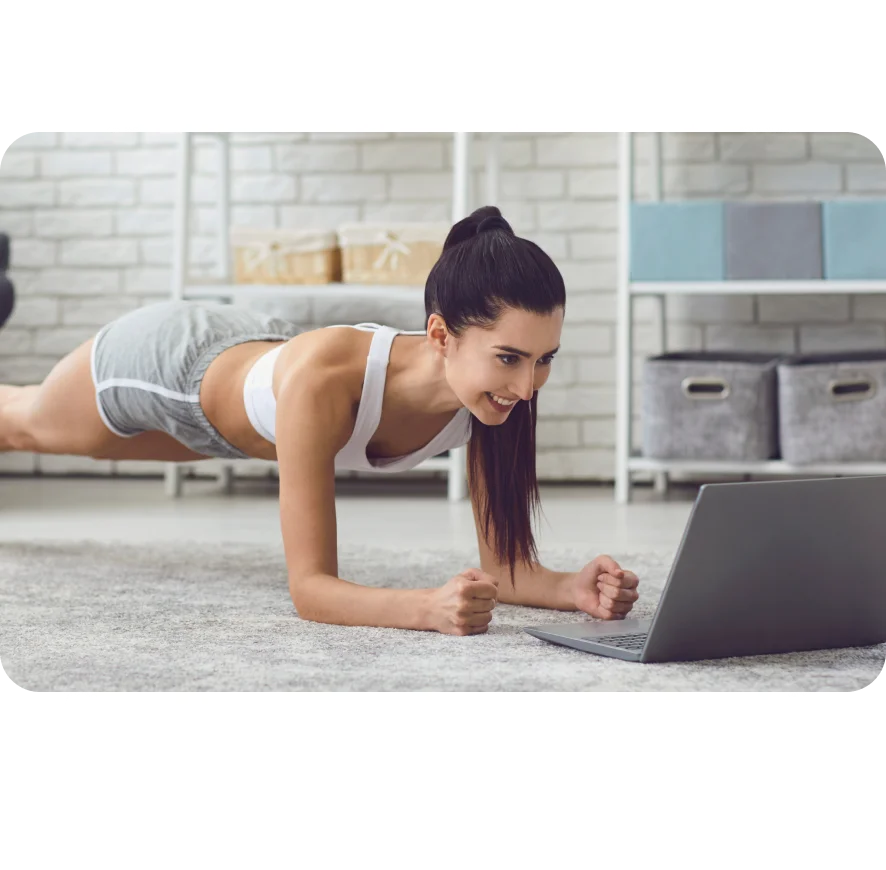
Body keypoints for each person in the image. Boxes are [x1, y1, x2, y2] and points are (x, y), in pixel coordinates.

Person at [0, 205, 640, 635]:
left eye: (544, 359)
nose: (530, 386)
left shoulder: (500, 394)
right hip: (170, 365)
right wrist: (424, 608)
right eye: (511, 358)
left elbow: (505, 572)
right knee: (25, 425)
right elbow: (311, 590)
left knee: (62, 438)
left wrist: (570, 589)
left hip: (245, 388)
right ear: (441, 336)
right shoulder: (326, 382)